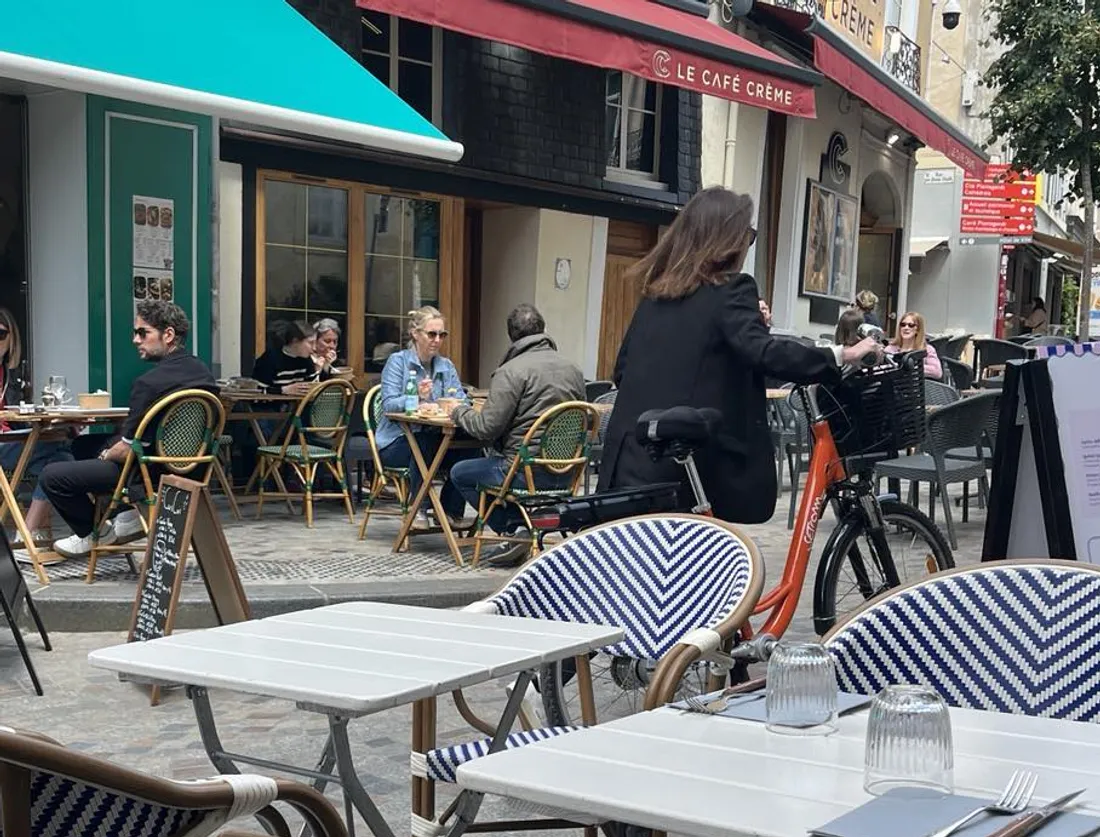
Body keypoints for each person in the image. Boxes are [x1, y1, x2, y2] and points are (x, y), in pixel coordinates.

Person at [597, 186, 879, 524]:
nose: (748, 244)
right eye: (749, 235)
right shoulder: (732, 288)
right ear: (730, 240)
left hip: (629, 462)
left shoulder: (656, 295)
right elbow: (765, 353)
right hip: (686, 468)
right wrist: (844, 354)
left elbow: (624, 369)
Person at [39, 301, 216, 559]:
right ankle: (124, 514)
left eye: (142, 333)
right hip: (189, 468)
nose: (135, 339)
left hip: (148, 473)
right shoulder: (203, 373)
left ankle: (93, 532)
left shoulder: (148, 383)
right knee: (80, 446)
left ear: (168, 335)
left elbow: (125, 450)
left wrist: (105, 456)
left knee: (52, 475)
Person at [449, 304, 585, 566]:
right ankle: (522, 531)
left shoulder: (511, 372)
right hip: (567, 472)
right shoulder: (574, 370)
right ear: (543, 330)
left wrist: (458, 412)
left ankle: (513, 529)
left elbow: (486, 428)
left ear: (511, 336)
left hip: (524, 473)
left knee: (460, 472)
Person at [375, 306, 473, 528]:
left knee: (472, 447)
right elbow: (389, 405)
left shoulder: (446, 366)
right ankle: (418, 508)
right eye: (431, 334)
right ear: (415, 334)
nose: (437, 340)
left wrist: (453, 404)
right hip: (396, 442)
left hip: (437, 439)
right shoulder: (398, 362)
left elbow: (462, 400)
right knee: (423, 440)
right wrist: (415, 395)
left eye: (442, 335)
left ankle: (450, 510)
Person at [0, 308, 75, 547]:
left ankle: (26, 533)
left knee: (60, 463)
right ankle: (95, 527)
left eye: (1, 334)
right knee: (59, 445)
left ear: (12, 339)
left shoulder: (11, 375)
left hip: (12, 442)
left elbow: (18, 415)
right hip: (4, 444)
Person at [252, 321, 327, 396]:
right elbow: (256, 391)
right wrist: (283, 390)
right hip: (269, 406)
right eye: (310, 343)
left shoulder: (306, 360)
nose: (314, 348)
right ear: (295, 341)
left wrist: (322, 369)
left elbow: (312, 389)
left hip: (298, 406)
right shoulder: (270, 359)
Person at [886, 311, 942, 380]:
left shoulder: (927, 349)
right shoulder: (890, 349)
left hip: (917, 388)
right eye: (903, 324)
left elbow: (937, 372)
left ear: (918, 330)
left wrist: (911, 367)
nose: (906, 328)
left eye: (911, 325)